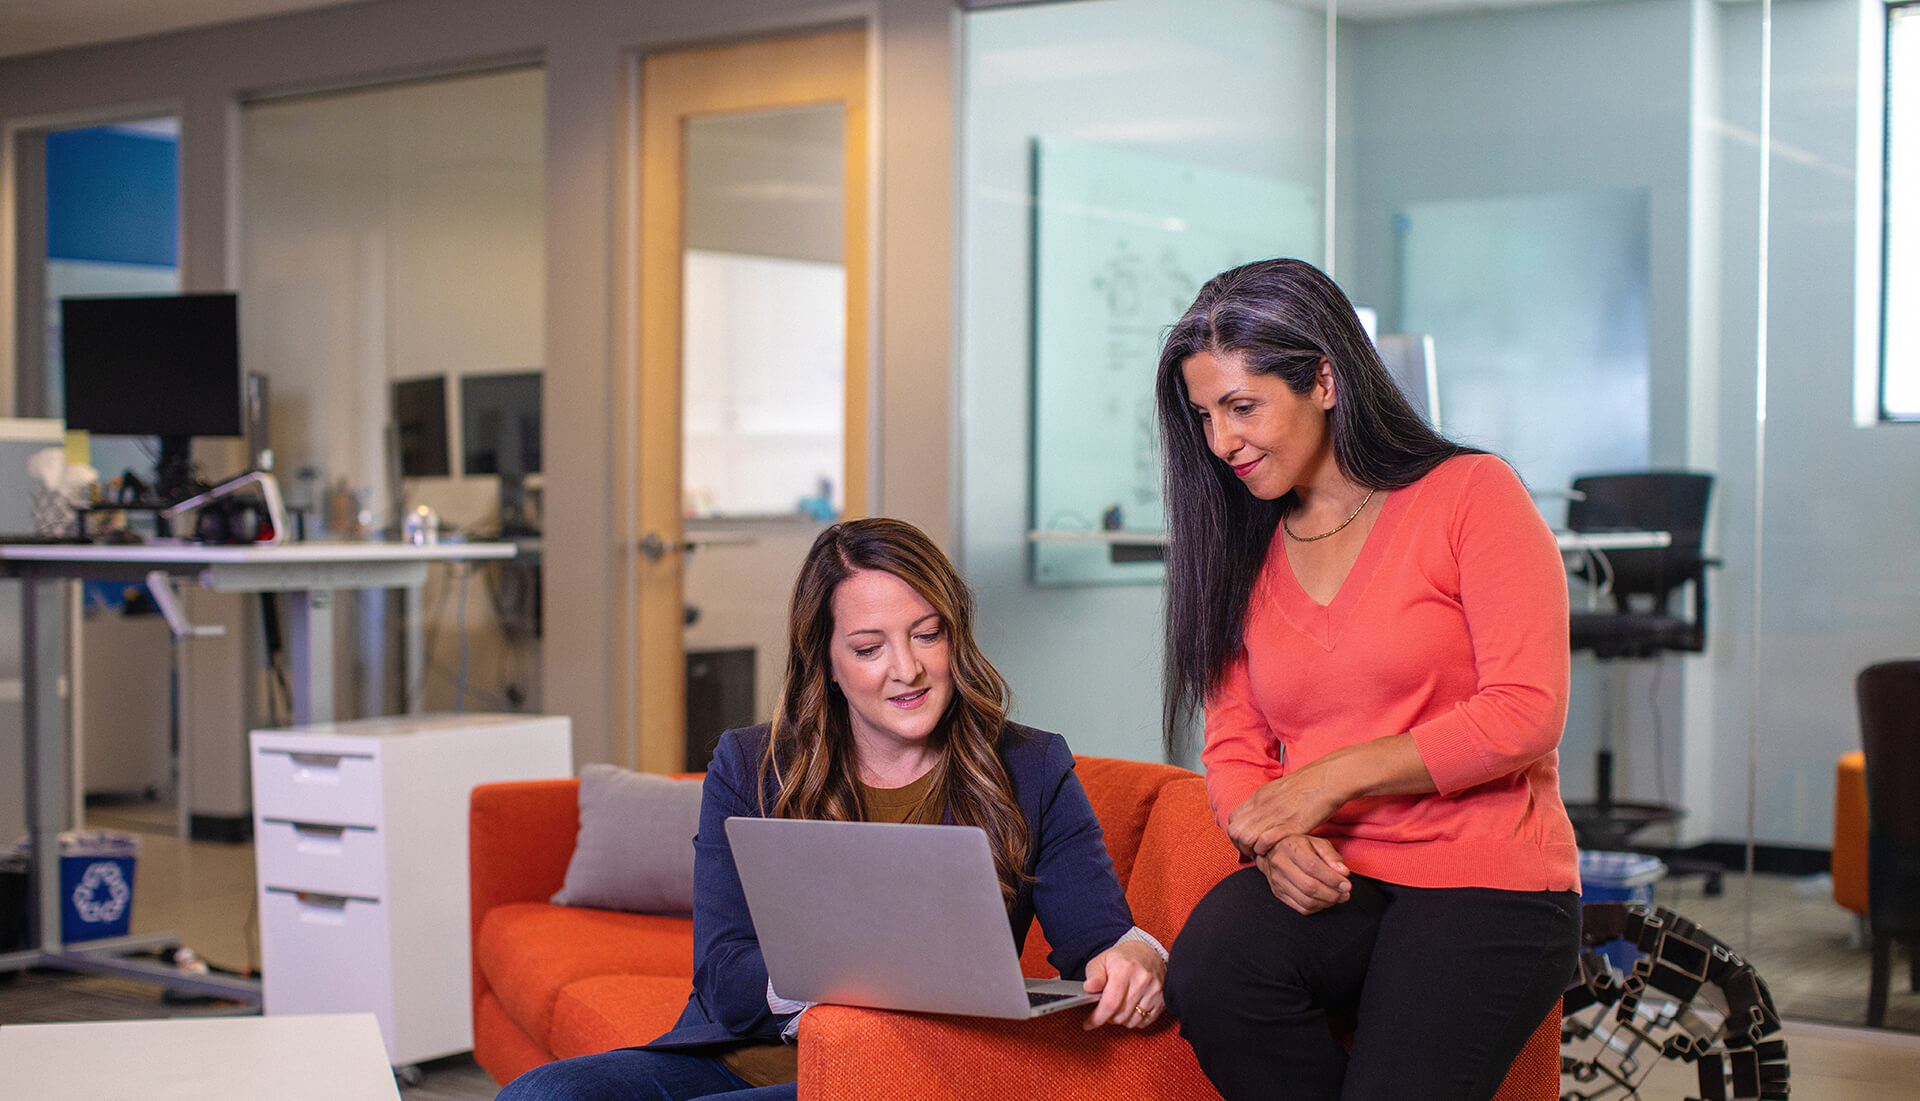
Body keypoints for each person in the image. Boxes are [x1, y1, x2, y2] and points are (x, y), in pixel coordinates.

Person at [498, 517, 1166, 1101]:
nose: (906, 669)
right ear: (827, 661)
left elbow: (1098, 943)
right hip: (740, 1060)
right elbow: (724, 975)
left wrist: (1136, 959)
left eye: (927, 634)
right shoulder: (750, 764)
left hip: (901, 1071)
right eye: (869, 648)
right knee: (541, 1093)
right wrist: (852, 972)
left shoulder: (1031, 765)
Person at [1152, 258, 1580, 1101]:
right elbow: (1234, 744)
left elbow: (1527, 710)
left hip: (1485, 876)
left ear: (1323, 380)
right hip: (1339, 873)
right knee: (1211, 970)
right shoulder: (1243, 544)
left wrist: (1327, 780)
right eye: (1205, 416)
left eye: (1242, 407)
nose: (1221, 441)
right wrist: (1273, 839)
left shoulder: (1471, 494)